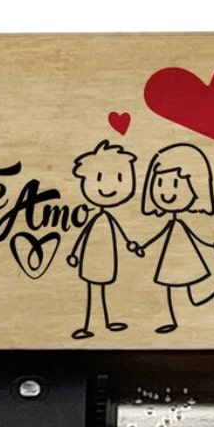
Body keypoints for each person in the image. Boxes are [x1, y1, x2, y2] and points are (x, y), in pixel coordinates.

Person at [141, 143, 214, 334]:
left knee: (190, 295)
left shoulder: (181, 225)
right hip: (171, 257)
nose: (166, 192)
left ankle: (211, 296)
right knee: (170, 287)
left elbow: (195, 236)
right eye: (159, 183)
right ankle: (173, 320)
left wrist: (212, 244)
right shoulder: (172, 223)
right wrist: (143, 246)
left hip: (186, 256)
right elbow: (160, 234)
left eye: (175, 184)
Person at [67, 140, 143, 339]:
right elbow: (83, 236)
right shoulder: (96, 219)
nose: (108, 187)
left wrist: (131, 245)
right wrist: (74, 254)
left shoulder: (108, 219)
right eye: (99, 177)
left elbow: (123, 235)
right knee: (91, 291)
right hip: (90, 259)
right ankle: (87, 325)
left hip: (106, 259)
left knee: (103, 290)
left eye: (119, 177)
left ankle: (108, 322)